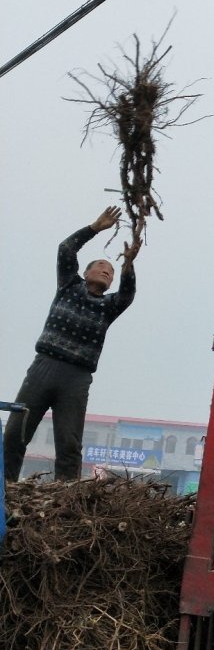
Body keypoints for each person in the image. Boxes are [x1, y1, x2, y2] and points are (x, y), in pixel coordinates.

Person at [3, 206, 138, 482]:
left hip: (76, 379)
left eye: (110, 271)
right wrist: (94, 228)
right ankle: (5, 489)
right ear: (85, 273)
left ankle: (65, 501)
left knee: (69, 445)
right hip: (43, 368)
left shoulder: (108, 306)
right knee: (16, 434)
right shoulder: (68, 285)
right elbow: (65, 249)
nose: (106, 271)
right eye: (101, 266)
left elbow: (127, 293)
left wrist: (127, 265)